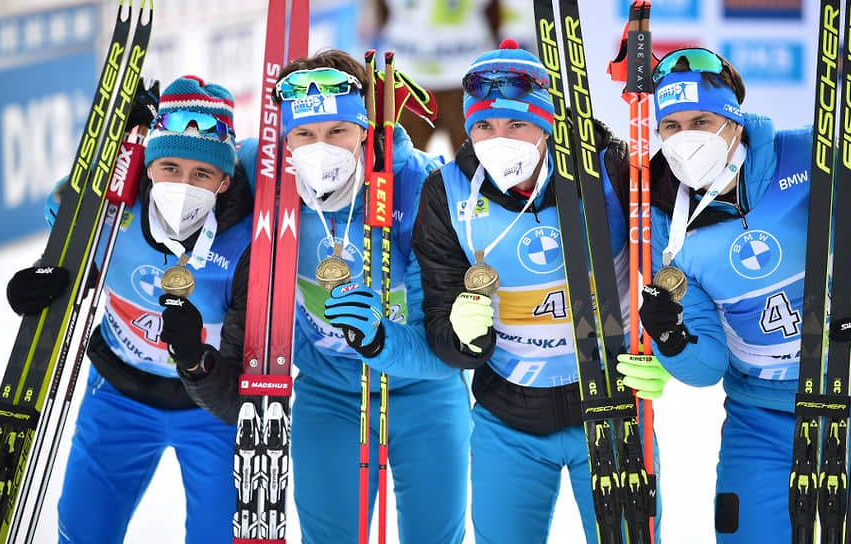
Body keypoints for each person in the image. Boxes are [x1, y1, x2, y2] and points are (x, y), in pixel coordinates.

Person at [627, 47, 851, 542]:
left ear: (733, 121)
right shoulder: (663, 219)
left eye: (701, 121)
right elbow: (707, 367)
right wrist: (671, 339)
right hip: (761, 417)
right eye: (672, 126)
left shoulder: (813, 156)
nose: (687, 138)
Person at [178, 49, 471, 543]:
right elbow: (184, 172)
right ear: (286, 138)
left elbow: (444, 351)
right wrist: (79, 194)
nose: (321, 148)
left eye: (338, 130)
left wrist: (379, 341)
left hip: (423, 392)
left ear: (365, 128)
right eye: (304, 134)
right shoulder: (264, 172)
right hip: (329, 392)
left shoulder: (419, 184)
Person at [412, 40, 662, 544]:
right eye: (484, 126)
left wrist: (667, 351)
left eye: (516, 124)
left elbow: (674, 269)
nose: (498, 139)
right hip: (510, 418)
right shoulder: (446, 194)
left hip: (612, 409)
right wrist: (462, 337)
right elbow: (439, 319)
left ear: (545, 125)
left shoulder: (608, 169)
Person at [5, 75, 254, 543]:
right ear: (149, 167)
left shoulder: (245, 240)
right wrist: (37, 285)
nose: (183, 184)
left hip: (210, 413)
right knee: (83, 532)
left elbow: (241, 379)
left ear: (224, 181)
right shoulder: (115, 212)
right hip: (117, 396)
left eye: (202, 174)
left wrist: (196, 359)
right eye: (170, 167)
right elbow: (70, 262)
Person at [369, 0, 500, 153]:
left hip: (466, 77)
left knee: (478, 157)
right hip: (407, 78)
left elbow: (494, 14)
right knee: (402, 158)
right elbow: (381, 13)